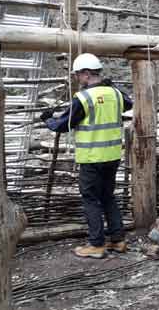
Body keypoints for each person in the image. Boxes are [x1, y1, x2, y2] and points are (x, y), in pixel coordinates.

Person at [40, 53, 133, 259]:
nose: (76, 79)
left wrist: (48, 120)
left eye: (77, 75)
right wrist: (111, 85)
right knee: (108, 196)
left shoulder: (83, 98)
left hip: (92, 158)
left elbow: (63, 124)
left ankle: (96, 244)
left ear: (86, 74)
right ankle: (118, 240)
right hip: (112, 156)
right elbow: (128, 102)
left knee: (91, 199)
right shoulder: (115, 93)